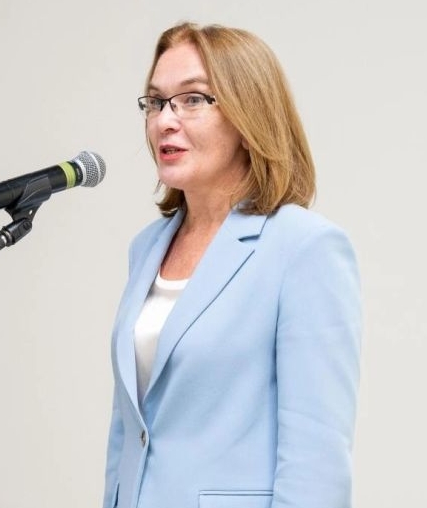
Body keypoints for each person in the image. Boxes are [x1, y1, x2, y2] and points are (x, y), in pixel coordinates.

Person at [103, 21, 361, 508]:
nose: (164, 120)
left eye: (192, 99)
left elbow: (317, 462)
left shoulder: (304, 248)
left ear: (248, 115)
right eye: (156, 102)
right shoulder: (146, 248)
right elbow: (129, 431)